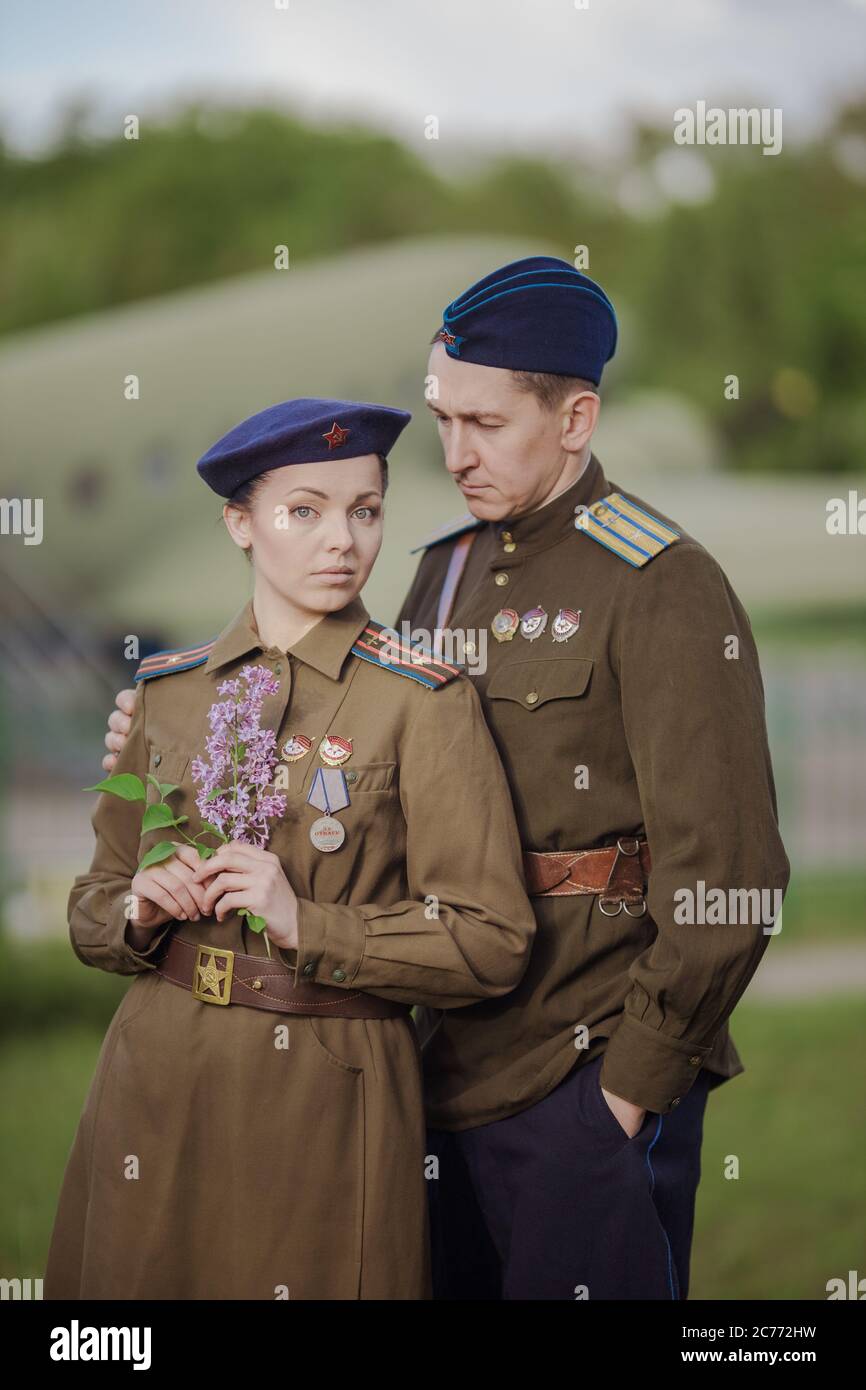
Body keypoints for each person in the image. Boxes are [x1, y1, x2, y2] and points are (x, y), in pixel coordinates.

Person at [102, 258, 791, 1302]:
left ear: (573, 419)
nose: (454, 452)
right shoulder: (445, 565)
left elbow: (729, 873)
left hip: (581, 1062)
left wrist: (629, 1090)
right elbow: (343, 725)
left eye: (484, 423)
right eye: (441, 419)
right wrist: (167, 723)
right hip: (434, 1059)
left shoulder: (660, 583)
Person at [45, 397, 536, 1301]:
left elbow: (490, 938)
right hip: (159, 1072)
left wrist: (308, 922)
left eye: (365, 509)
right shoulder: (167, 692)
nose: (340, 540)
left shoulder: (424, 704)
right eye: (302, 510)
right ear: (240, 521)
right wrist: (139, 907)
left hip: (328, 1090)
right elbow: (94, 904)